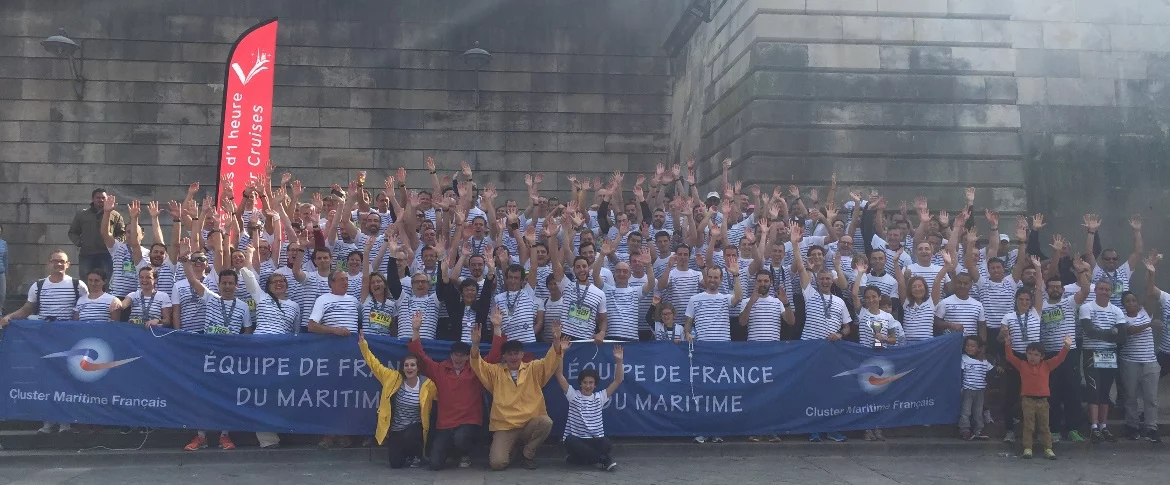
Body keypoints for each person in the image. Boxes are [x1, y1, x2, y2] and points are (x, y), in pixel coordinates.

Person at [409, 309, 505, 470]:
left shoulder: (476, 369)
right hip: (445, 424)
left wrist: (497, 327)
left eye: (462, 355)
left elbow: (495, 355)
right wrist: (416, 330)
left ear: (468, 357)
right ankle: (449, 452)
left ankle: (464, 453)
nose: (458, 358)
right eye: (455, 354)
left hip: (469, 423)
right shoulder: (440, 369)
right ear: (450, 355)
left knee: (461, 438)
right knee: (434, 464)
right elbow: (419, 356)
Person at [471, 308, 564, 471]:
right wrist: (475, 344)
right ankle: (513, 449)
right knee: (497, 464)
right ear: (504, 356)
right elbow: (477, 364)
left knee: (546, 422)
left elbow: (551, 360)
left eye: (516, 353)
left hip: (529, 423)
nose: (513, 357)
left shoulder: (533, 368)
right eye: (510, 354)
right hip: (505, 427)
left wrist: (556, 340)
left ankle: (528, 453)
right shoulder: (495, 371)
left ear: (522, 354)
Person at [792, 226, 851, 443]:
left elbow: (847, 327)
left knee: (831, 391)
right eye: (822, 279)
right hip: (810, 349)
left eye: (828, 279)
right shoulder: (809, 294)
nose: (825, 281)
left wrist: (840, 335)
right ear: (817, 280)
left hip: (831, 350)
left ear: (832, 281)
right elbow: (800, 269)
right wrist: (796, 244)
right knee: (811, 390)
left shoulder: (840, 301)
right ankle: (813, 428)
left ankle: (832, 428)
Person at [358, 317, 437, 469]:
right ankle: (406, 456)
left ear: (418, 367)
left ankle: (418, 455)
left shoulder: (428, 384)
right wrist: (363, 346)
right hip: (395, 430)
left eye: (413, 365)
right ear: (402, 367)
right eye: (406, 365)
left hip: (415, 430)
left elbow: (442, 399)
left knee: (411, 433)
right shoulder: (392, 378)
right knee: (395, 464)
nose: (409, 368)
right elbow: (374, 364)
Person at [1042, 239, 1092, 443]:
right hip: (1049, 354)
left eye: (1058, 287)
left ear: (1063, 289)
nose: (1055, 289)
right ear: (1047, 289)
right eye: (1052, 287)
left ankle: (1073, 429)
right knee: (1051, 394)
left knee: (1072, 393)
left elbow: (1086, 291)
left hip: (1069, 353)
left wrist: (1081, 272)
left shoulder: (1069, 303)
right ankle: (1053, 430)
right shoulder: (1041, 306)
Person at [995, 257, 1045, 444]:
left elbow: (1039, 289)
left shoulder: (1035, 313)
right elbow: (1000, 338)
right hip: (1016, 358)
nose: (1024, 302)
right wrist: (1003, 335)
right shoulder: (1008, 316)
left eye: (1027, 299)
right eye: (1021, 299)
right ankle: (1009, 429)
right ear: (1016, 300)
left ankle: (1031, 431)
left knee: (1032, 395)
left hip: (1034, 358)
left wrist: (1038, 269)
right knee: (1011, 395)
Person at [1002, 327, 1072, 460]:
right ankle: (1027, 448)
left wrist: (1066, 347)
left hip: (1043, 401)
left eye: (1036, 354)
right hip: (1027, 400)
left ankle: (1048, 448)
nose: (1032, 357)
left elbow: (1059, 358)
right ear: (1026, 354)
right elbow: (1010, 357)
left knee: (1045, 426)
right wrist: (1008, 344)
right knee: (1028, 426)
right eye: (1029, 353)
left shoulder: (1047, 365)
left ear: (1042, 356)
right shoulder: (1022, 364)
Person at [555, 343, 624, 471]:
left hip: (594, 441)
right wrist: (561, 353)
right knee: (570, 440)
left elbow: (618, 380)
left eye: (591, 383)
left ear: (595, 385)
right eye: (585, 383)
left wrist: (619, 361)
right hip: (577, 441)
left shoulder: (600, 397)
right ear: (580, 384)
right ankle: (603, 459)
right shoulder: (573, 395)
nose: (588, 386)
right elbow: (559, 375)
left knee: (607, 443)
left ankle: (579, 459)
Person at [1079, 280, 1126, 444]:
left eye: (1107, 290)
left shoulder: (1117, 310)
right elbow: (1089, 331)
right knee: (1094, 389)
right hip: (1092, 352)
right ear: (1096, 290)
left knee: (1105, 391)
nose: (1104, 292)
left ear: (1111, 292)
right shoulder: (1087, 308)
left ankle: (1103, 426)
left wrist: (1109, 334)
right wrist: (1111, 332)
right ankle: (1093, 427)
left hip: (1109, 354)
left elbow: (1122, 336)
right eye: (1101, 289)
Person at [1118, 289, 1160, 442]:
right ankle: (1132, 426)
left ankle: (1151, 427)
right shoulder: (1121, 318)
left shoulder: (1145, 313)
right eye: (1128, 301)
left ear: (1138, 303)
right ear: (1123, 304)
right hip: (1130, 362)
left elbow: (1150, 295)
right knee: (1131, 396)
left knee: (1151, 398)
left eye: (1134, 300)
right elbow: (1129, 331)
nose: (1131, 303)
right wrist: (1148, 324)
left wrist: (1151, 272)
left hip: (1150, 362)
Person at [68, 188, 125, 281]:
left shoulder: (115, 215)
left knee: (107, 282)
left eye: (103, 198)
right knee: (85, 282)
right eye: (98, 197)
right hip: (87, 254)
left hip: (107, 255)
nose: (101, 200)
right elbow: (72, 232)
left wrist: (115, 244)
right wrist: (79, 242)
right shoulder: (82, 214)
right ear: (93, 199)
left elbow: (122, 233)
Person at [959, 336, 993, 441]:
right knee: (966, 411)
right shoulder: (963, 358)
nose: (969, 348)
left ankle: (979, 430)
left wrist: (999, 368)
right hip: (967, 390)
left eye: (973, 346)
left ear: (979, 348)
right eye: (967, 345)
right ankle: (964, 430)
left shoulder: (984, 361)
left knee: (978, 411)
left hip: (980, 391)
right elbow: (960, 373)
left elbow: (992, 371)